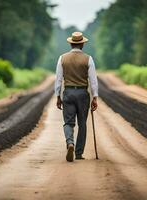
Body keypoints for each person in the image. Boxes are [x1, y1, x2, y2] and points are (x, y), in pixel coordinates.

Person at [54, 31, 98, 162]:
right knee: (82, 124)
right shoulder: (88, 59)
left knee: (68, 122)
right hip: (83, 94)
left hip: (68, 93)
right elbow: (93, 80)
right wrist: (95, 97)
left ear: (71, 43)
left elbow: (58, 79)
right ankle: (78, 153)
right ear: (82, 44)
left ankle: (70, 143)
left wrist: (58, 96)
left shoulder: (62, 58)